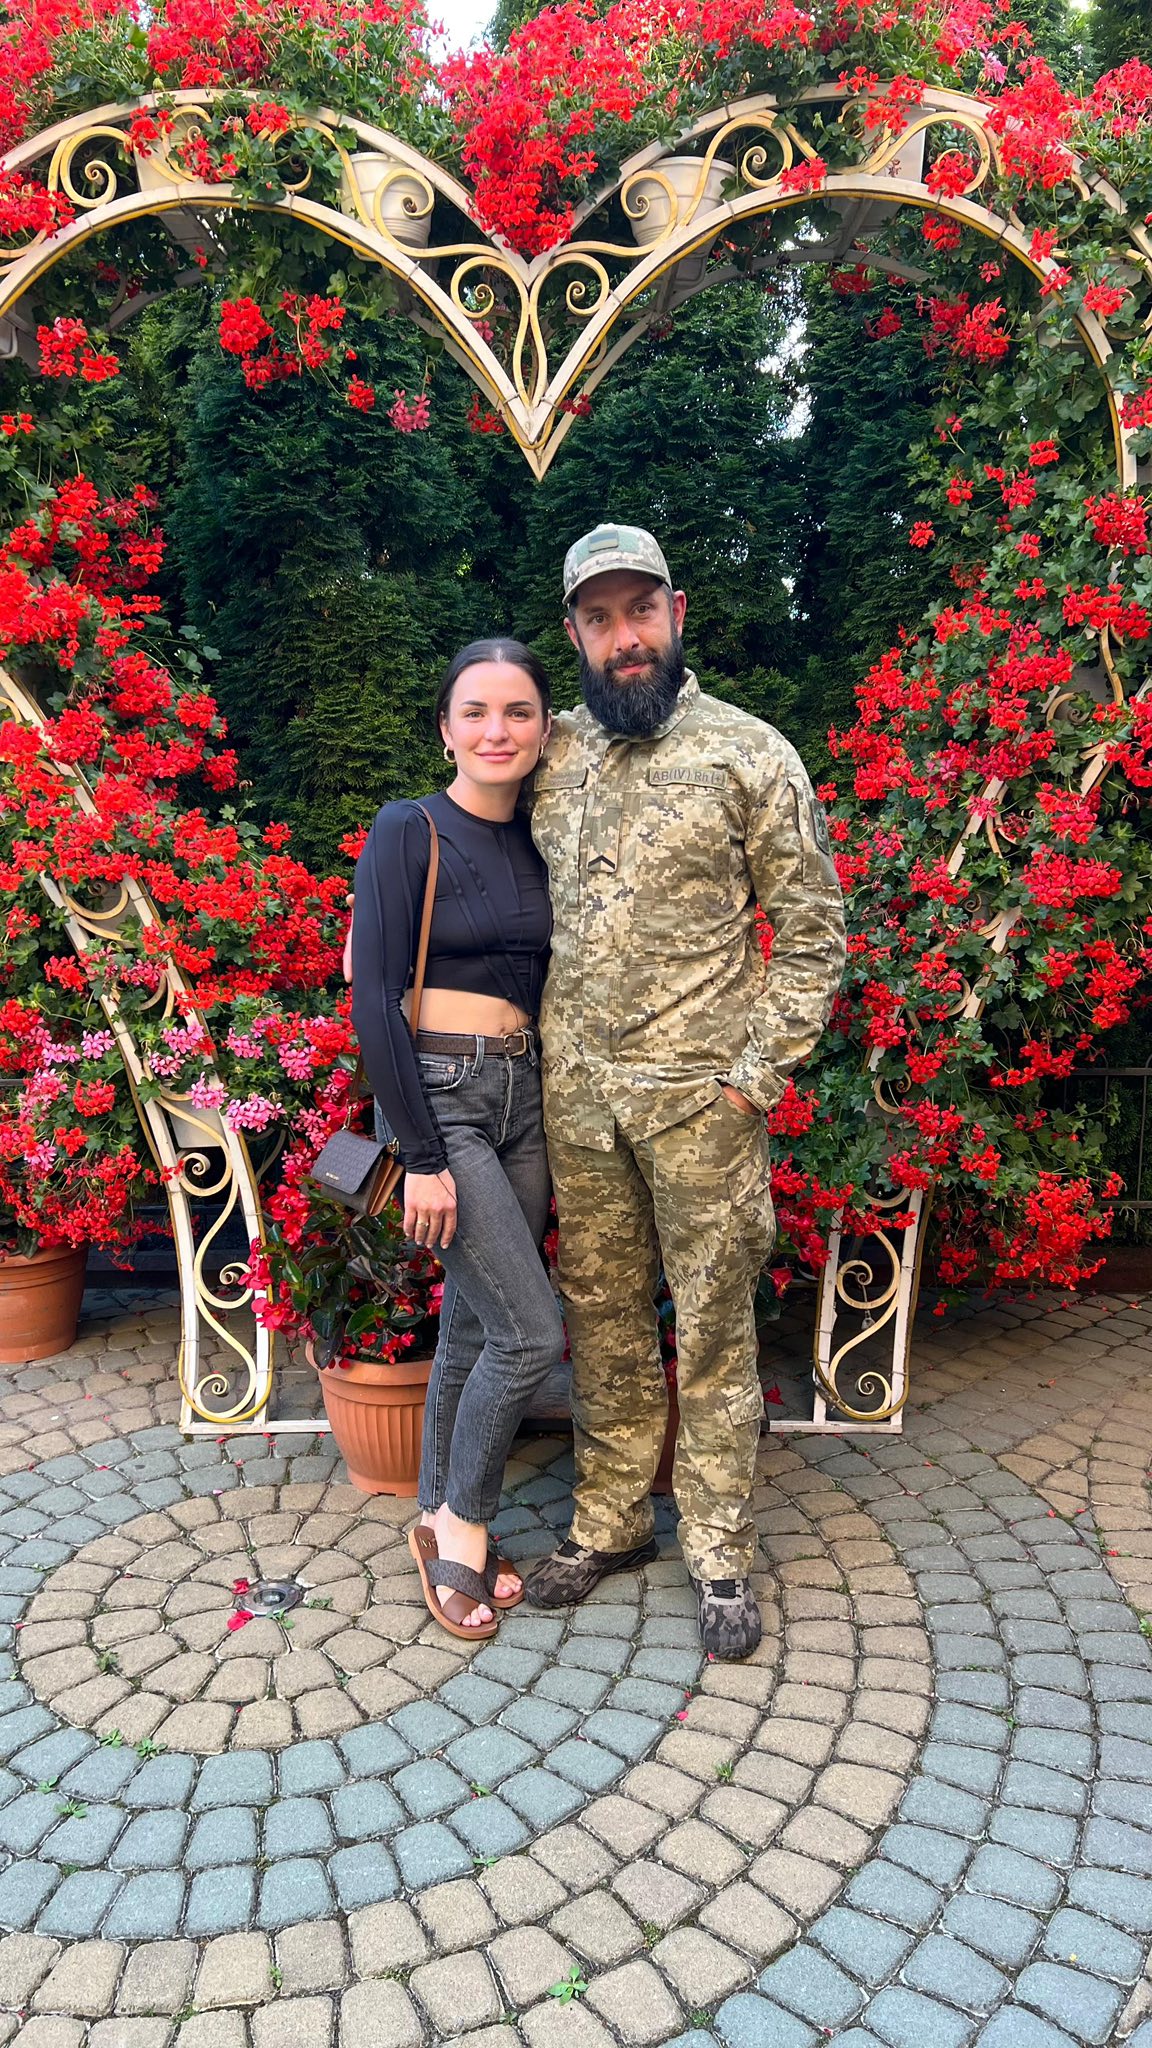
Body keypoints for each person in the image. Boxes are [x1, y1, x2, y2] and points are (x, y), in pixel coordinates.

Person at [524, 525, 847, 1660]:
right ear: (575, 634)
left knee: (712, 1330)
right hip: (580, 1105)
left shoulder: (750, 754)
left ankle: (717, 1547)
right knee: (603, 1322)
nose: (625, 637)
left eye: (640, 611)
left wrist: (752, 1083)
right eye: (600, 618)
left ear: (676, 613)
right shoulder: (551, 755)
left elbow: (814, 933)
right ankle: (610, 1523)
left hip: (702, 1110)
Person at [351, 639, 565, 1639]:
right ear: (445, 728)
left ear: (544, 729)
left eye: (518, 711)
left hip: (526, 1094)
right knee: (531, 1333)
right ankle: (467, 1527)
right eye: (475, 711)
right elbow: (374, 1000)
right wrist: (422, 1155)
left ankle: (436, 1512)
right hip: (443, 1095)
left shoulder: (544, 837)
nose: (496, 730)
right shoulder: (410, 828)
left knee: (477, 1328)